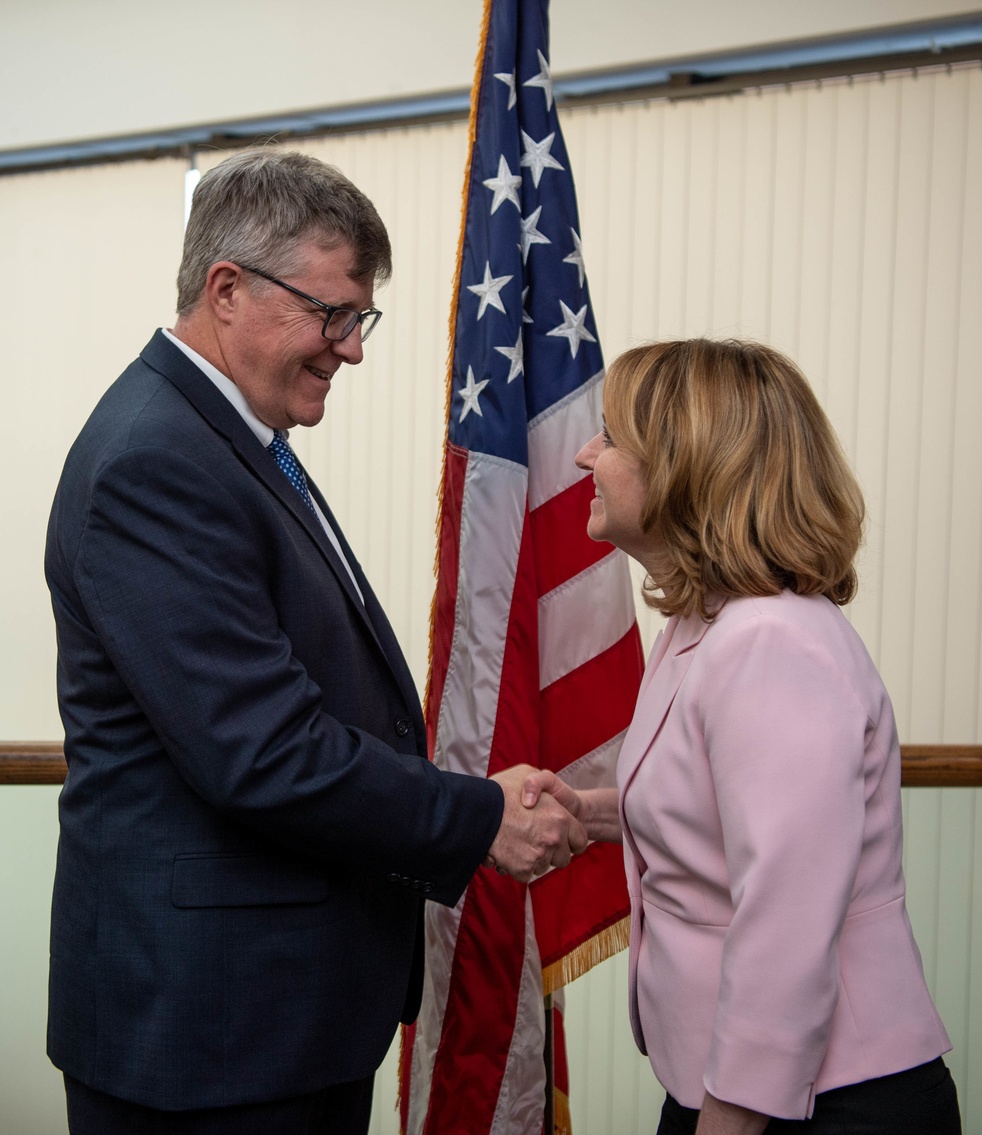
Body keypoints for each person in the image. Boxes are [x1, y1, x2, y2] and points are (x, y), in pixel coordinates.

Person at [44, 147, 586, 1135]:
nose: (352, 347)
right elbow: (262, 749)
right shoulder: (156, 461)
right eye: (332, 313)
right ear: (227, 289)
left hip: (273, 1022)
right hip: (208, 1039)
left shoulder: (232, 443)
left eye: (358, 317)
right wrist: (474, 816)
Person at [523, 339, 962, 1134]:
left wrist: (728, 1120)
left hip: (815, 1101)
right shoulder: (705, 624)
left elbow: (788, 919)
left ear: (687, 465)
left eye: (613, 437)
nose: (588, 454)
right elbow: (725, 821)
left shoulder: (772, 642)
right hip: (736, 1087)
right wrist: (588, 813)